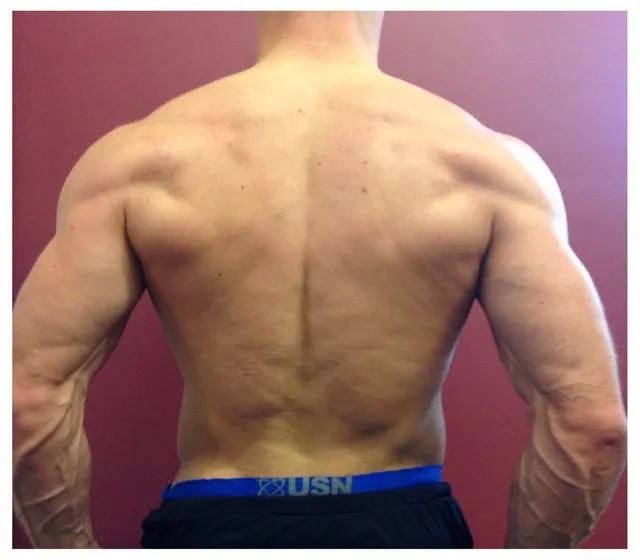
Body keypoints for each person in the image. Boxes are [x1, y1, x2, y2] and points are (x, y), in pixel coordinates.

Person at [12, 11, 627, 549]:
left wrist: (70, 549)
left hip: (213, 521)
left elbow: (27, 400)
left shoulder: (136, 161)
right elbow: (590, 425)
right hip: (401, 521)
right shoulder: (489, 166)